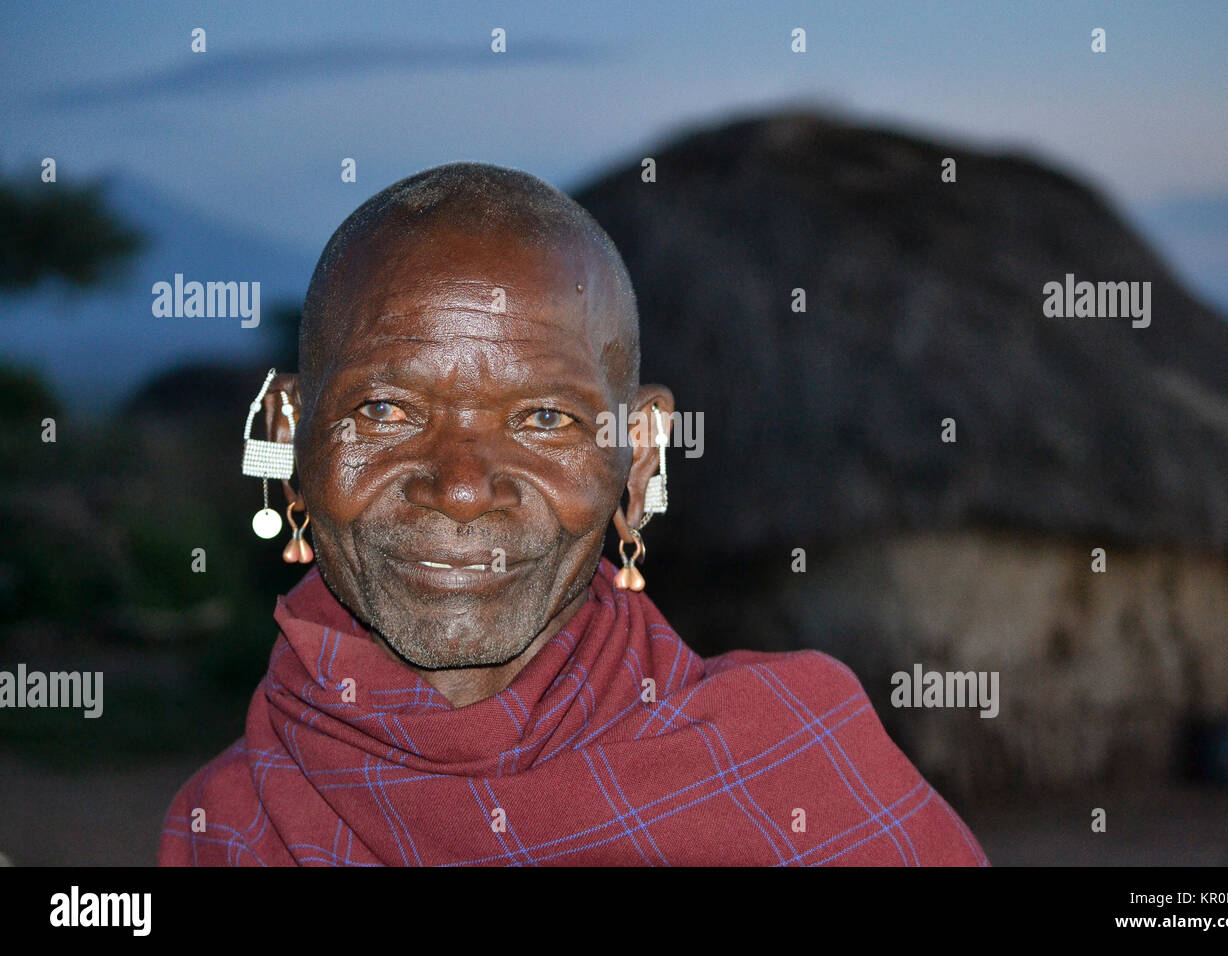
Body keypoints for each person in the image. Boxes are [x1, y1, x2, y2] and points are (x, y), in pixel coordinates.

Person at [158, 162, 987, 866]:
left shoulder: (797, 764)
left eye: (544, 419)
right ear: (289, 439)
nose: (460, 486)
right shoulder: (228, 826)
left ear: (641, 455)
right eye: (383, 410)